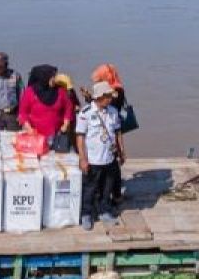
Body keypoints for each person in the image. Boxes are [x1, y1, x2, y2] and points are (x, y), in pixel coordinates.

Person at [75, 81, 125, 230]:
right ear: (100, 97)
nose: (111, 99)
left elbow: (118, 132)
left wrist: (122, 151)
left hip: (109, 158)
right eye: (108, 96)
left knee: (107, 188)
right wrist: (83, 159)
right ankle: (86, 214)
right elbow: (80, 137)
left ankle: (104, 211)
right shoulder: (86, 113)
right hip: (93, 159)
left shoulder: (113, 112)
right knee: (90, 188)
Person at [89, 63, 132, 202]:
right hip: (107, 130)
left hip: (112, 130)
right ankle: (110, 193)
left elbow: (108, 106)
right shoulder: (113, 87)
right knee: (110, 166)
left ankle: (115, 194)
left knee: (113, 166)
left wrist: (92, 99)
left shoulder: (116, 91)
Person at [19, 64, 74, 145]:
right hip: (35, 135)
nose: (54, 79)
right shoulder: (30, 92)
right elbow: (23, 113)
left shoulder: (60, 91)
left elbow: (68, 107)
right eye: (52, 77)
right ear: (44, 77)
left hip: (57, 135)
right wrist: (29, 129)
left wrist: (66, 124)